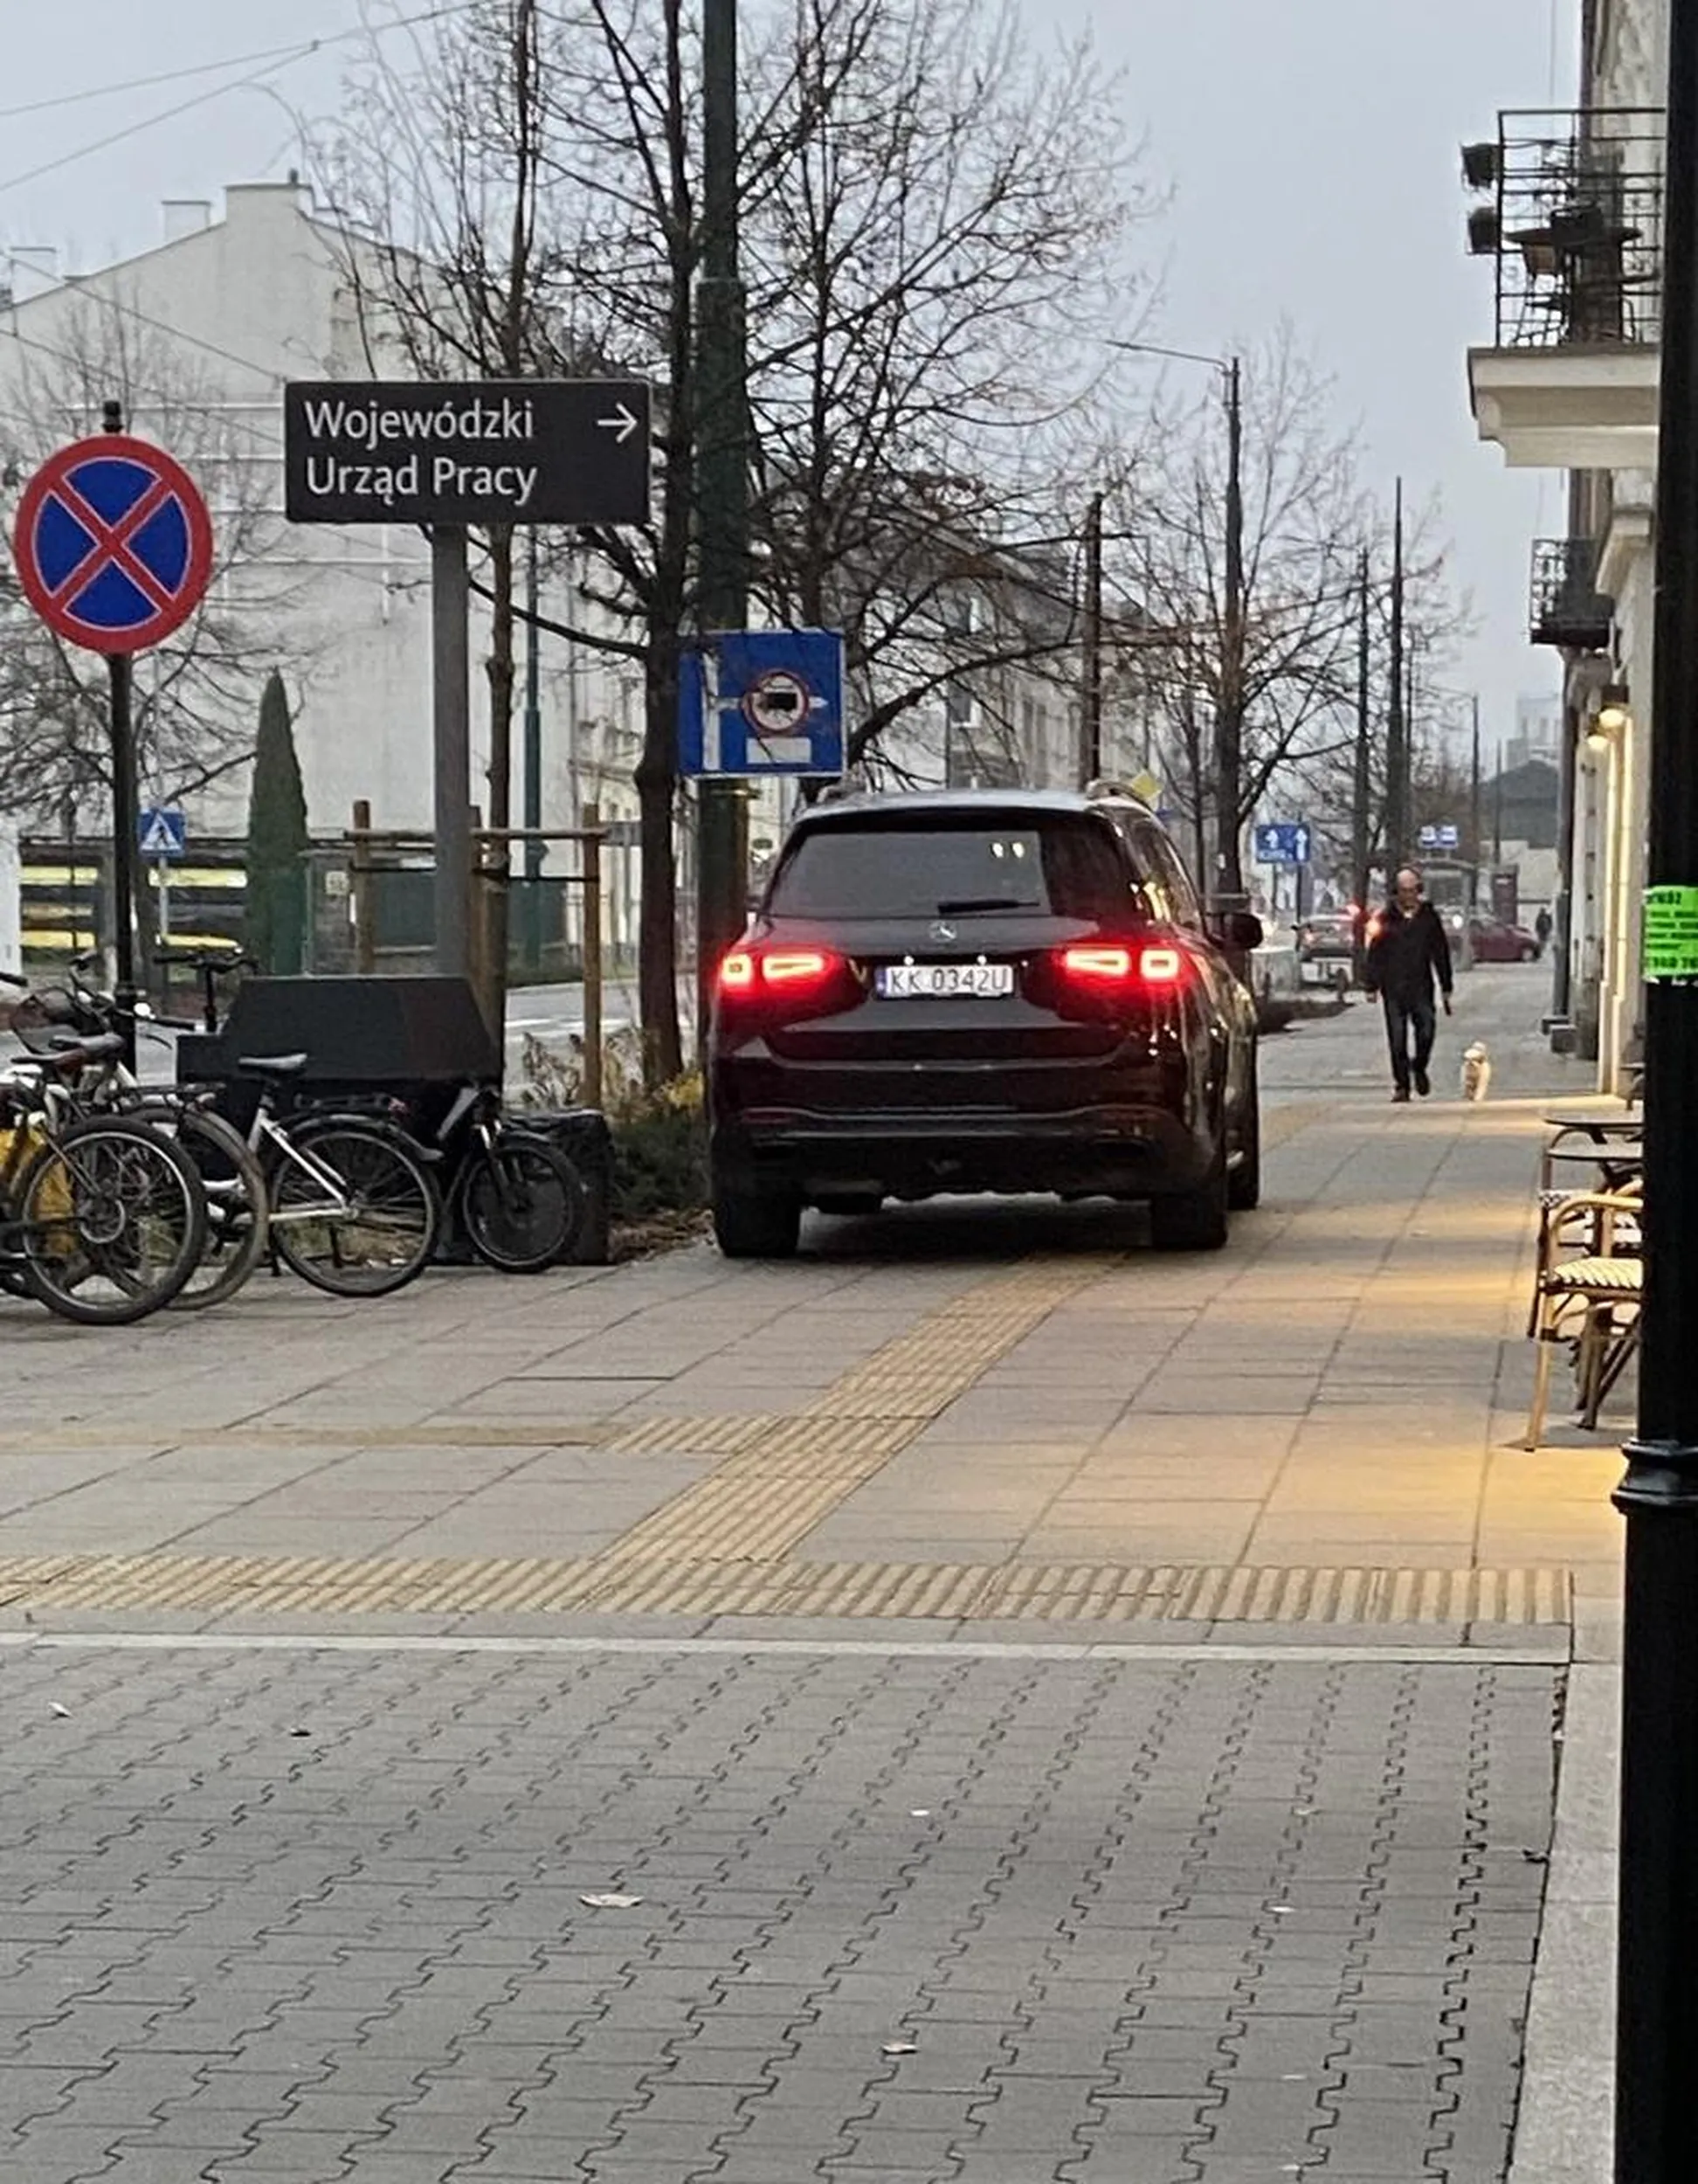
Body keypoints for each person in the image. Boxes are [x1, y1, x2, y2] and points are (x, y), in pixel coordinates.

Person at [1364, 866, 1453, 1102]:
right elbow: (1375, 953)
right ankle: (1401, 1085)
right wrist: (1371, 985)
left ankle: (1419, 1066)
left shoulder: (1428, 917)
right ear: (1396, 892)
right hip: (1392, 988)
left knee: (1426, 1030)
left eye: (1412, 890)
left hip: (1421, 986)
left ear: (1419, 891)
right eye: (1403, 891)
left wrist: (1446, 985)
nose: (1408, 896)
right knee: (1397, 1038)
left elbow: (1440, 951)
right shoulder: (1385, 918)